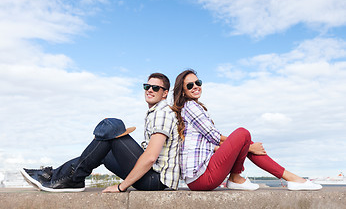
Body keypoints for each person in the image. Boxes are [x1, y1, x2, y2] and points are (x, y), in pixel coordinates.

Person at [21, 73, 180, 193]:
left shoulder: (163, 113)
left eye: (155, 88)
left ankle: (57, 176)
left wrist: (121, 187)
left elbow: (151, 157)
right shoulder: (155, 112)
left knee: (112, 127)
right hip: (151, 179)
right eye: (147, 87)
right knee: (104, 150)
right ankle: (60, 176)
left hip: (155, 181)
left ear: (165, 93)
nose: (150, 90)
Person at [172, 69, 322, 191]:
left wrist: (245, 147)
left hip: (199, 178)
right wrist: (249, 147)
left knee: (244, 139)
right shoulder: (191, 106)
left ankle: (287, 177)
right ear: (183, 91)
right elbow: (215, 137)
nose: (196, 86)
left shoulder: (191, 108)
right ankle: (287, 178)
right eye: (190, 85)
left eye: (198, 82)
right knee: (243, 133)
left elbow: (210, 145)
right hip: (202, 179)